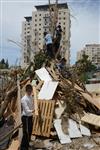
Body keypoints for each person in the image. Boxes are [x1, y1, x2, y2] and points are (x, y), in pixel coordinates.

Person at [20, 84, 34, 150]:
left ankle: (27, 145)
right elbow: (27, 110)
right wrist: (34, 111)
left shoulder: (31, 97)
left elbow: (32, 105)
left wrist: (35, 108)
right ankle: (23, 147)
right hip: (25, 117)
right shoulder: (23, 99)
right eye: (29, 91)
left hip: (30, 117)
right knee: (26, 132)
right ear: (26, 91)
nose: (30, 92)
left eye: (31, 91)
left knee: (30, 131)